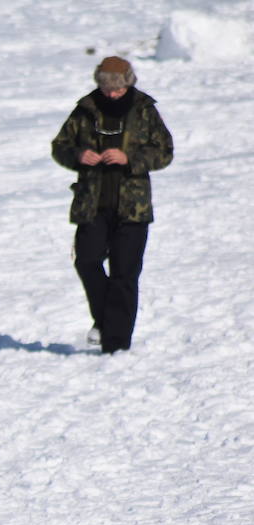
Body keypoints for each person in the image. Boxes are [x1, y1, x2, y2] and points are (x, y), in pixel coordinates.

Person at [51, 56, 173, 354]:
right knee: (86, 261)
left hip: (133, 208)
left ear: (128, 83)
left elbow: (165, 152)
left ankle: (115, 346)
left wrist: (129, 158)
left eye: (117, 89)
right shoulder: (85, 110)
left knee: (124, 275)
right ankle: (107, 322)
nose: (112, 94)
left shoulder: (144, 110)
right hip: (91, 204)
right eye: (106, 88)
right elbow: (60, 147)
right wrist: (79, 155)